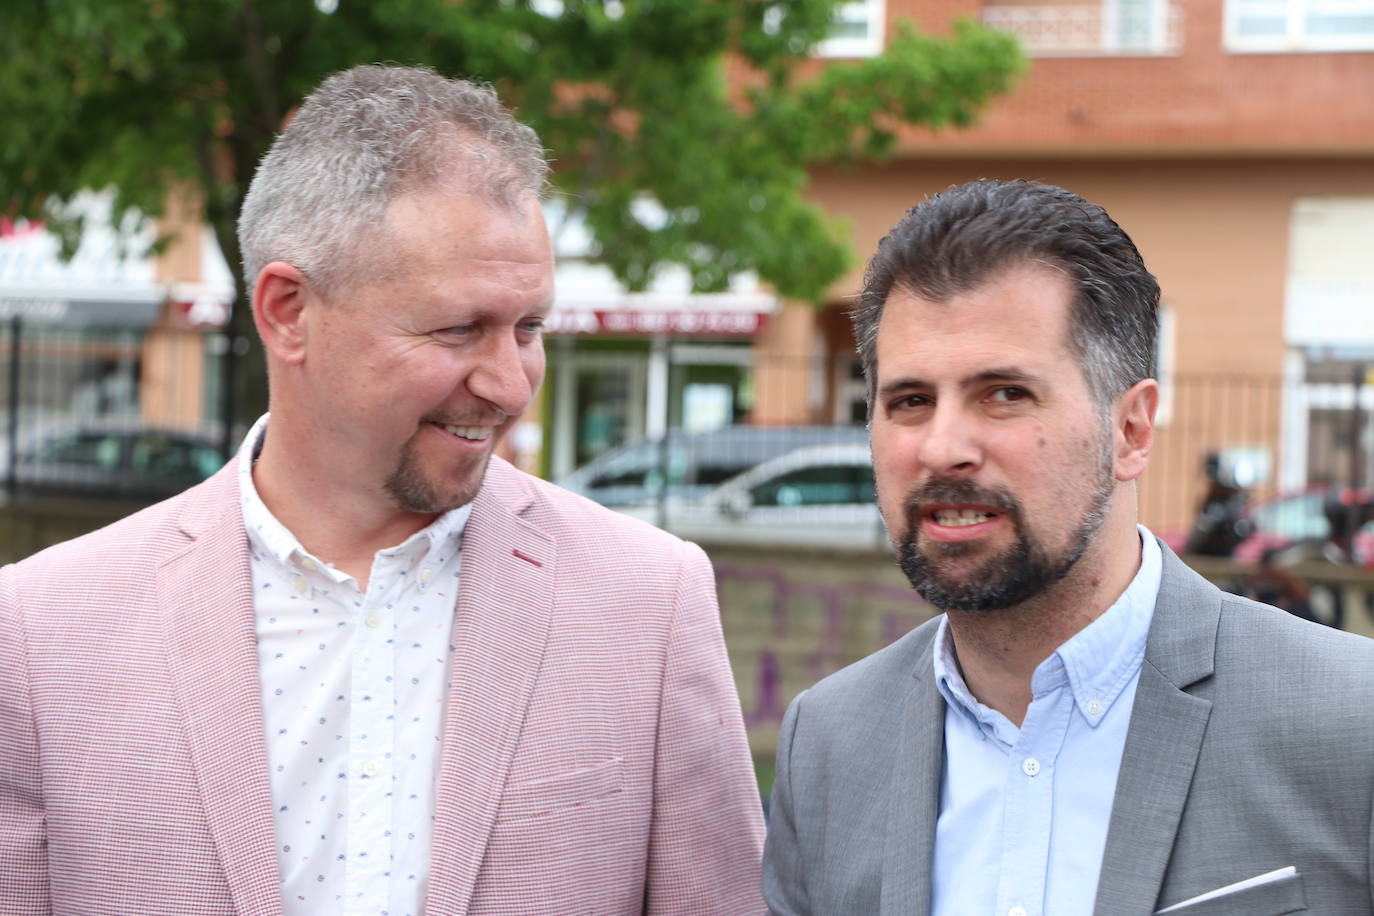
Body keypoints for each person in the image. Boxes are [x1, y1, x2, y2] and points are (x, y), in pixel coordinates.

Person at [0, 65, 765, 915]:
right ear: (289, 311)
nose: (511, 383)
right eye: (459, 328)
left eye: (530, 328)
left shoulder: (650, 601)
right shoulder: (39, 633)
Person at [761, 179, 1374, 915]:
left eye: (1004, 394)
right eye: (910, 401)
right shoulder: (827, 744)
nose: (942, 447)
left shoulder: (1348, 722)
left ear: (1132, 431)